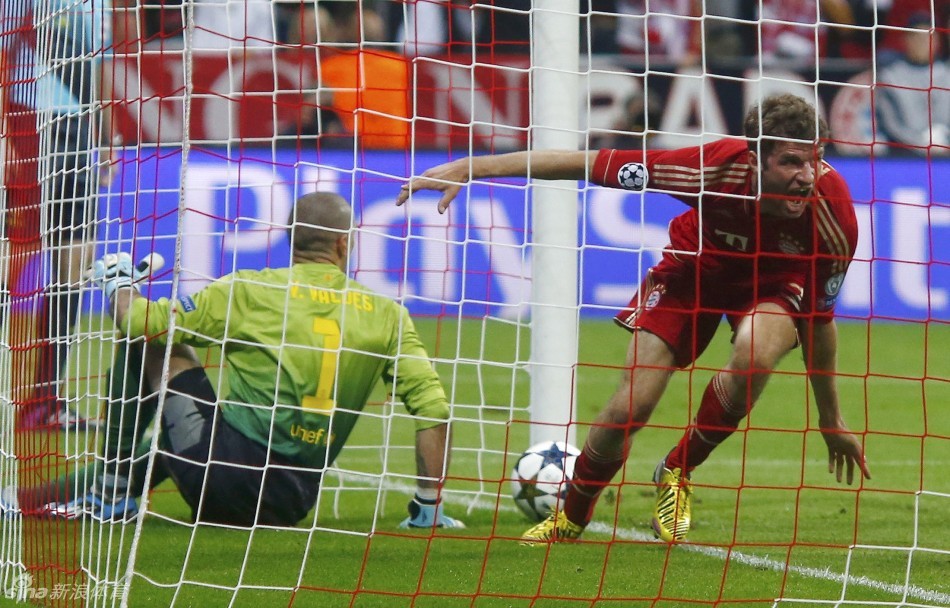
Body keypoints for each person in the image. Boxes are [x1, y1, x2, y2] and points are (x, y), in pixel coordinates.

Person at [396, 93, 871, 544]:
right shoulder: (706, 169)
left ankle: (677, 469)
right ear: (755, 159)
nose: (807, 175)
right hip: (695, 268)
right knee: (632, 405)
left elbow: (818, 321)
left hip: (774, 284)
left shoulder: (833, 215)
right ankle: (573, 516)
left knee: (756, 353)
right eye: (791, 162)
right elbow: (580, 164)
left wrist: (831, 418)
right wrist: (473, 167)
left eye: (814, 159)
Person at [10, 192, 465, 530]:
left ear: (288, 240)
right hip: (291, 503)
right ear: (345, 245)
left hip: (217, 479)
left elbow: (139, 323)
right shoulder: (389, 315)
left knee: (155, 342)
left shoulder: (251, 289)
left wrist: (118, 284)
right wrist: (428, 505)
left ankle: (109, 495)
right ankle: (56, 495)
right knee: (175, 443)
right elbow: (434, 410)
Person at [1, 0, 120, 431]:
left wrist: (106, 135)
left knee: (76, 261)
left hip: (75, 134)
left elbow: (96, 70)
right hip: (28, 122)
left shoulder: (100, 6)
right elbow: (4, 51)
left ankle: (45, 399)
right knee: (14, 258)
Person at [875, 12, 950, 155]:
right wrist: (920, 144)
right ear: (906, 40)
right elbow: (890, 123)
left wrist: (944, 141)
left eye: (928, 36)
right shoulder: (890, 77)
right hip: (904, 157)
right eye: (916, 36)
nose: (923, 42)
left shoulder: (948, 75)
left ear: (937, 41)